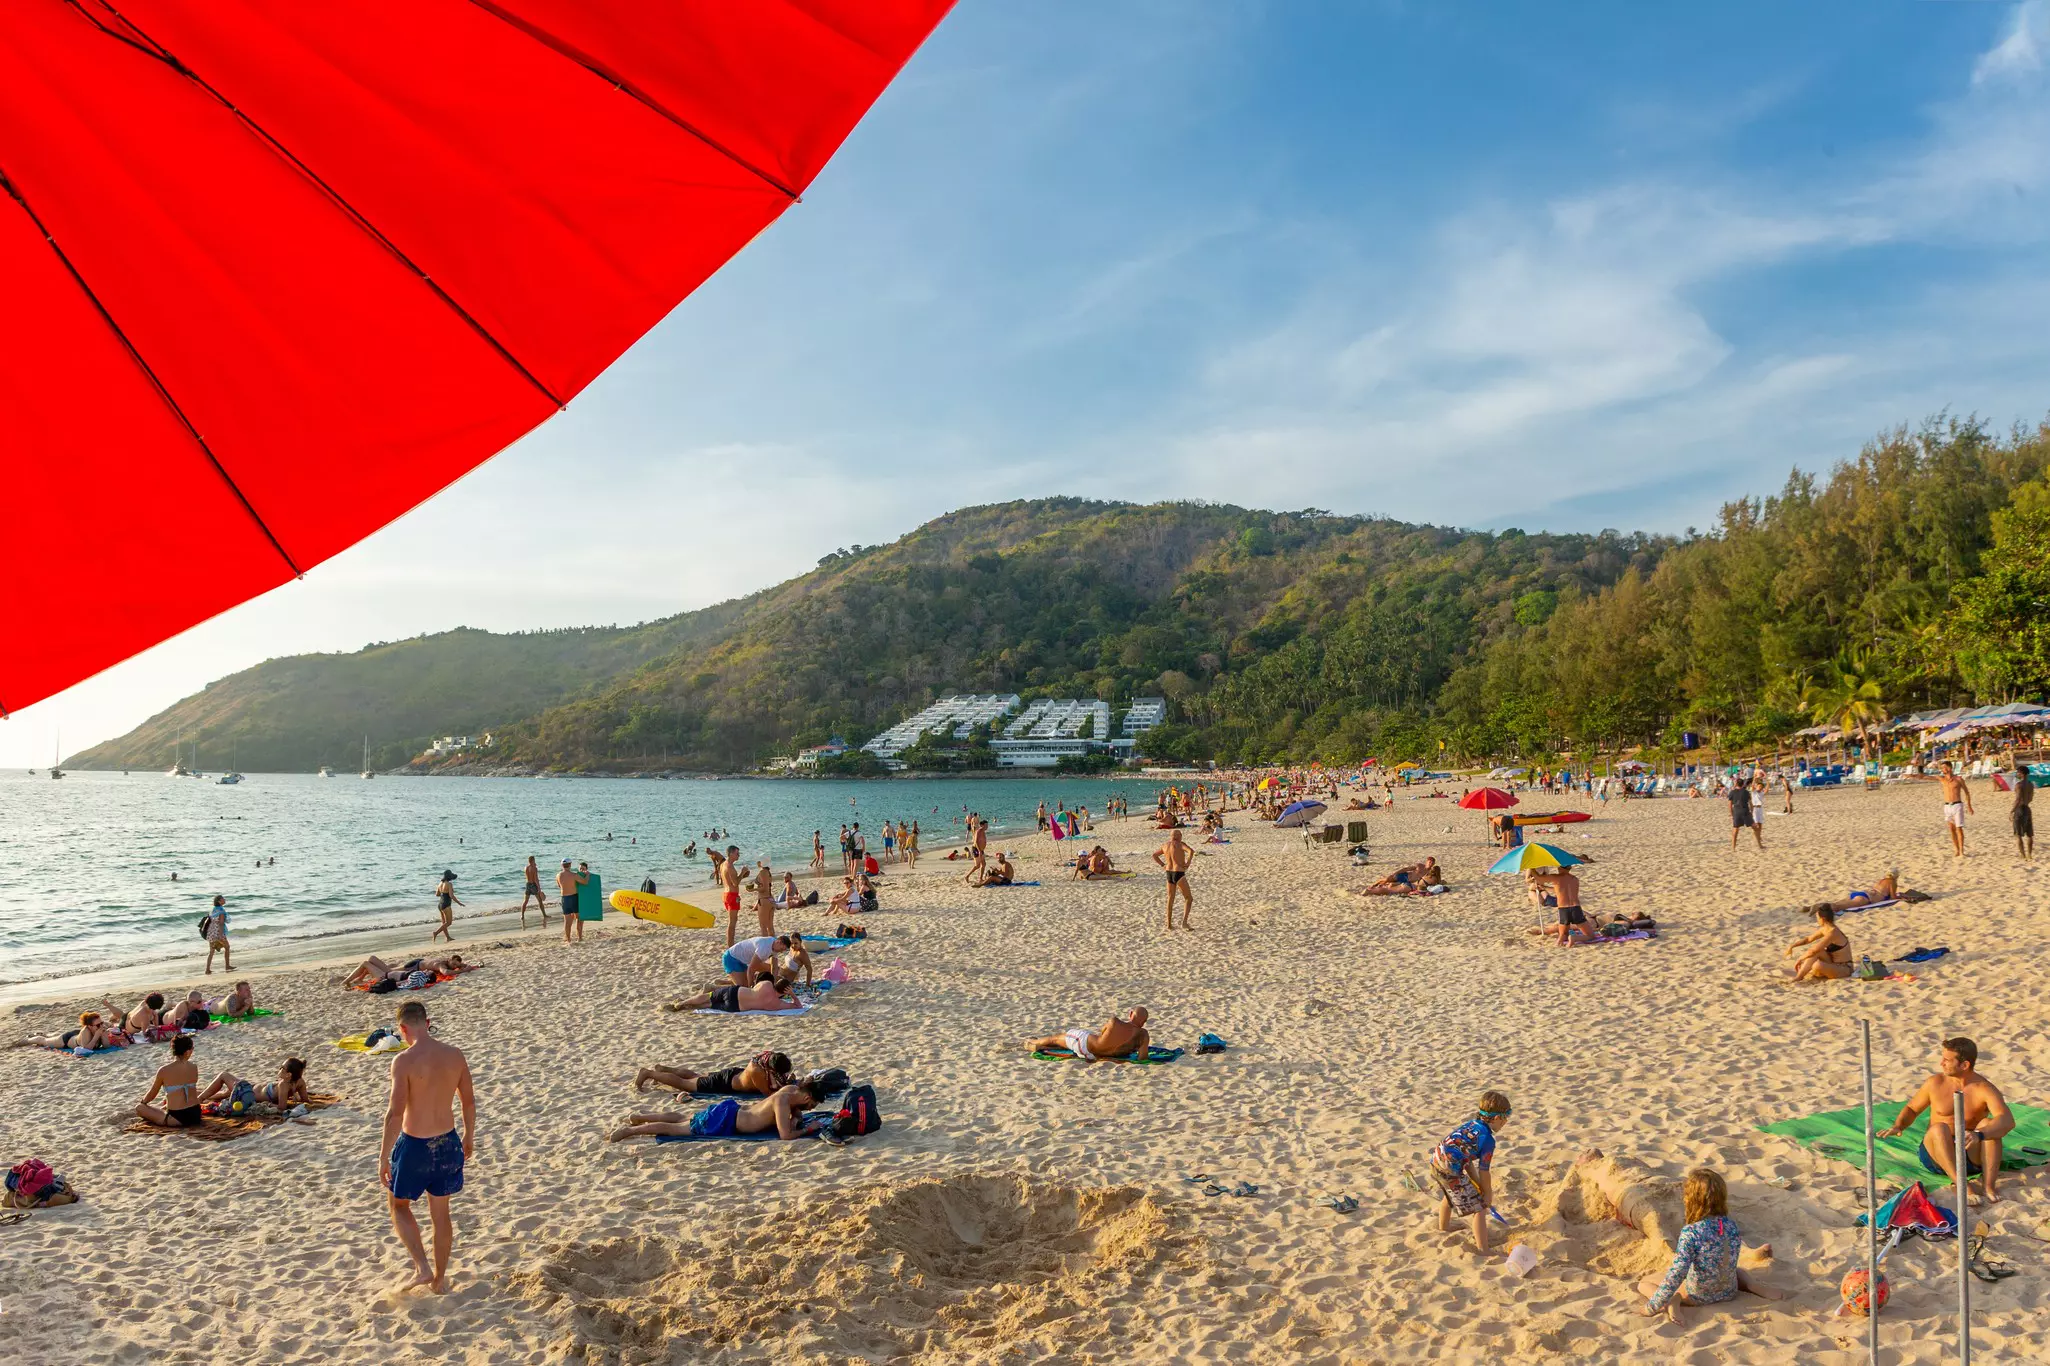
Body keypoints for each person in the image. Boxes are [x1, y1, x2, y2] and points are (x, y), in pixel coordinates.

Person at [380, 1000, 476, 1293]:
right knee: (441, 1214)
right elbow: (468, 1101)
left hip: (415, 1146)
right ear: (428, 1021)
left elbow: (395, 1114)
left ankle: (422, 1267)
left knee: (398, 1205)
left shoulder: (404, 1061)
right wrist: (469, 1136)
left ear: (403, 1028)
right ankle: (440, 1279)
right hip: (448, 1142)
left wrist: (384, 1157)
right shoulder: (455, 1055)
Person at [1880, 1036, 2016, 1203]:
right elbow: (1912, 1108)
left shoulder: (1984, 1088)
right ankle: (1961, 1184)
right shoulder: (1935, 1083)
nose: (1941, 1063)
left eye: (1947, 1060)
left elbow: (2007, 1120)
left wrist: (1979, 1134)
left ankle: (1989, 1186)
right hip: (1936, 1155)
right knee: (1939, 1128)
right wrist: (1899, 1125)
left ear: (1964, 1065)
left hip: (1970, 1156)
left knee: (1989, 1125)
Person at [1637, 1168, 1782, 1321]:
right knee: (1737, 1270)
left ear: (1691, 1199)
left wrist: (1650, 1307)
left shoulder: (1691, 1232)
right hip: (1729, 1291)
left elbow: (1677, 1273)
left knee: (1645, 1283)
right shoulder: (1730, 1225)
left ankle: (1673, 1301)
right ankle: (1753, 1285)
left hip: (1698, 1296)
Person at [607, 1081, 826, 1143]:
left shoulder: (791, 1091)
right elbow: (785, 1135)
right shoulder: (782, 1101)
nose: (810, 1110)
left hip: (732, 1111)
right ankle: (629, 1131)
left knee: (687, 1118)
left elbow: (795, 1110)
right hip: (726, 1121)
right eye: (812, 1105)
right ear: (807, 1098)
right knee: (676, 1129)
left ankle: (641, 1117)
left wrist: (798, 1115)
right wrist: (808, 1129)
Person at [1430, 1090, 1509, 1252]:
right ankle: (1483, 1249)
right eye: (1505, 1119)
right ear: (1496, 1118)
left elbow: (1467, 1159)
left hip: (1436, 1161)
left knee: (1449, 1193)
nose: (1505, 1123)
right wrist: (1487, 1194)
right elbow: (1484, 1170)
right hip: (1451, 1168)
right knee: (1479, 1207)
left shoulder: (1471, 1125)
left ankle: (1443, 1227)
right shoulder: (1487, 1140)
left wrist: (1477, 1184)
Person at [634, 1051, 793, 1096]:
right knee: (686, 1084)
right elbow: (768, 1093)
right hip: (725, 1083)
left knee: (695, 1077)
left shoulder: (768, 1057)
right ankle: (648, 1073)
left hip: (734, 1075)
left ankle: (664, 1070)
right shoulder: (757, 1071)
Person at [1027, 1007, 1149, 1061]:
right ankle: (1042, 1046)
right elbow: (1142, 1058)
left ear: (1130, 1014)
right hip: (1101, 1055)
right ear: (1143, 1022)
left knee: (1056, 1039)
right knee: (1063, 1044)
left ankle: (1033, 1042)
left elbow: (1102, 1033)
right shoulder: (1143, 1036)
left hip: (1085, 1045)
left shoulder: (1114, 1022)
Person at [135, 1034, 204, 1128]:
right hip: (196, 1114)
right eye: (192, 1048)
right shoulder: (193, 1067)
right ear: (188, 1051)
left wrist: (143, 1102)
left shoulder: (164, 1070)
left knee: (139, 1108)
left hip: (177, 1117)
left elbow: (152, 1093)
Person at [200, 1057, 309, 1111]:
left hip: (247, 1093)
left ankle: (199, 1099)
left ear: (288, 1075)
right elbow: (305, 1100)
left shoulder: (283, 1085)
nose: (279, 1069)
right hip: (249, 1089)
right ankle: (198, 1095)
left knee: (223, 1075)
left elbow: (282, 1107)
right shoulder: (300, 1081)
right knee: (224, 1094)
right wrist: (296, 1096)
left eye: (282, 1068)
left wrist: (268, 1104)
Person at [1784, 904, 1852, 981]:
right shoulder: (1825, 929)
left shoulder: (1833, 933)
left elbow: (1813, 950)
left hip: (1844, 968)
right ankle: (1799, 977)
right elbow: (1808, 939)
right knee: (1817, 954)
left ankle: (1803, 973)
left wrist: (1800, 959)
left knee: (1816, 964)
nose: (1817, 920)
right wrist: (1792, 946)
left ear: (1822, 919)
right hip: (1833, 963)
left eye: (1817, 917)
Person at [664, 976, 797, 1014]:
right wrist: (792, 995)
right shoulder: (776, 1004)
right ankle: (689, 1006)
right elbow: (797, 1006)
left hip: (735, 991)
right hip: (736, 1006)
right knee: (709, 1004)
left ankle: (682, 1003)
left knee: (708, 996)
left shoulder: (767, 983)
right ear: (785, 991)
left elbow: (754, 987)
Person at [721, 934, 809, 987]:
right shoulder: (764, 947)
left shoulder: (775, 946)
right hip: (731, 958)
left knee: (776, 970)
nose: (781, 951)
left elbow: (774, 968)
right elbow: (751, 969)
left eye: (783, 950)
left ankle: (727, 982)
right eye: (782, 949)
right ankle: (713, 987)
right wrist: (751, 988)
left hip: (743, 960)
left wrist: (774, 984)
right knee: (742, 987)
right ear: (779, 942)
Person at [1531, 867, 1589, 946]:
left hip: (1563, 909)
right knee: (1590, 935)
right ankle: (1574, 938)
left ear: (1559, 867)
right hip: (1575, 908)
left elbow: (1539, 879)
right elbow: (1562, 890)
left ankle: (1559, 942)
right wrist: (1545, 888)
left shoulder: (1556, 878)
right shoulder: (1575, 879)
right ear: (1570, 868)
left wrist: (1531, 869)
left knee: (1562, 935)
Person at [1930, 760, 1974, 858]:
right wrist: (1912, 776)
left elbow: (1967, 792)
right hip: (1947, 806)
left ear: (1950, 768)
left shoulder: (1958, 779)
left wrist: (1969, 806)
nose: (1943, 769)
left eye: (1944, 767)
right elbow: (1926, 777)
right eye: (1941, 768)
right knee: (1951, 829)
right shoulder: (1942, 779)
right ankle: (1956, 850)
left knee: (1959, 829)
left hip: (1957, 805)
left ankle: (1962, 851)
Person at [1154, 828, 1194, 931]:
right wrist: (1188, 863)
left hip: (1169, 873)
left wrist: (1163, 865)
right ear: (1178, 836)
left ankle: (1169, 924)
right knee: (1188, 898)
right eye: (1180, 835)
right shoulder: (1180, 844)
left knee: (1170, 898)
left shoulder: (1165, 845)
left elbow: (1154, 855)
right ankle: (1184, 923)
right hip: (1179, 873)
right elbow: (1191, 851)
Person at [557, 859, 589, 944]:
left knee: (567, 921)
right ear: (570, 864)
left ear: (562, 866)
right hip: (574, 898)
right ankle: (579, 938)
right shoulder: (574, 875)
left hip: (564, 899)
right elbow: (585, 882)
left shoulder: (558, 875)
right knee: (579, 918)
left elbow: (559, 886)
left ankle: (568, 940)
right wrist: (587, 875)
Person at [718, 845, 743, 947]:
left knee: (732, 920)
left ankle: (730, 943)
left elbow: (728, 880)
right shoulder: (730, 866)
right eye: (737, 853)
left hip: (726, 894)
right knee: (732, 922)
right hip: (732, 895)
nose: (738, 855)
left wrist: (741, 876)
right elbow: (735, 883)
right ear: (731, 853)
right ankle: (730, 945)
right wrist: (743, 872)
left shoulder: (723, 864)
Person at [1728, 778, 1762, 850]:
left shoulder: (1732, 792)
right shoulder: (1746, 792)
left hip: (1737, 812)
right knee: (1755, 828)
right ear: (1743, 784)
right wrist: (1752, 813)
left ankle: (1733, 848)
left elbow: (1730, 805)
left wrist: (1731, 814)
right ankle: (1760, 845)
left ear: (1736, 783)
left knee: (1735, 830)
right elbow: (1751, 804)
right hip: (1745, 811)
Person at [202, 894, 232, 973]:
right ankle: (227, 966)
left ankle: (207, 969)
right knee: (227, 947)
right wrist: (221, 934)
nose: (224, 900)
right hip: (218, 931)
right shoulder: (221, 910)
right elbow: (221, 923)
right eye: (223, 899)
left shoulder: (213, 909)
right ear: (219, 901)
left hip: (211, 932)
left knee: (211, 951)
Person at [2012, 761, 2035, 862]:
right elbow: (2030, 798)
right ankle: (2029, 854)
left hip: (2020, 809)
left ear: (2021, 773)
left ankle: (2023, 855)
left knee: (2018, 834)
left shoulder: (2018, 785)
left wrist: (2012, 810)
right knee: (2029, 834)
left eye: (2017, 772)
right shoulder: (2030, 784)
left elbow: (2017, 799)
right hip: (2027, 808)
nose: (2017, 774)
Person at [431, 871, 463, 944]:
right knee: (449, 922)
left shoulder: (440, 883)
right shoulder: (449, 884)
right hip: (446, 905)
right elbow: (451, 896)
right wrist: (459, 903)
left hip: (440, 904)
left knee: (444, 922)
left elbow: (437, 894)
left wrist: (444, 893)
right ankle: (435, 933)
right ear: (449, 876)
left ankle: (448, 937)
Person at [519, 856, 549, 925]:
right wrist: (539, 888)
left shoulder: (526, 868)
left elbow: (528, 875)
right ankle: (544, 915)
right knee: (540, 901)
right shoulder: (534, 868)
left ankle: (522, 915)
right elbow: (536, 879)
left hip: (528, 884)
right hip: (533, 885)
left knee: (525, 901)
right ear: (533, 860)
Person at [752, 860, 777, 937]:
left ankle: (766, 946)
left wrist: (753, 889)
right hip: (770, 899)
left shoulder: (763, 872)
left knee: (763, 927)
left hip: (764, 899)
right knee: (770, 926)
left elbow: (764, 888)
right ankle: (772, 945)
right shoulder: (768, 872)